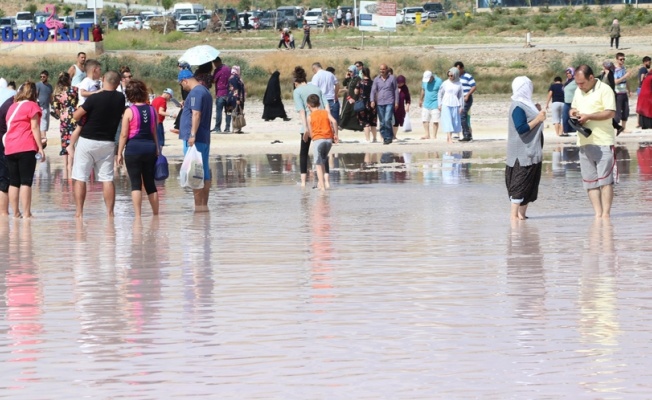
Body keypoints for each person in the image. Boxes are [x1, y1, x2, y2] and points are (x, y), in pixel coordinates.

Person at [70, 71, 125, 218]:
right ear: (118, 84)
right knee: (107, 178)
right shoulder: (121, 98)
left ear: (102, 80)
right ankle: (110, 213)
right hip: (108, 141)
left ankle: (79, 212)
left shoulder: (94, 98)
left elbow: (76, 116)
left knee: (81, 177)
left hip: (88, 139)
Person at [570, 64, 617, 219]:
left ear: (591, 78)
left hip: (603, 140)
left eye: (582, 83)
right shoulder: (578, 90)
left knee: (605, 181)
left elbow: (610, 112)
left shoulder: (605, 89)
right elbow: (573, 107)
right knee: (590, 181)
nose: (579, 86)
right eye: (577, 83)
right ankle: (597, 214)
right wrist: (574, 113)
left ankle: (606, 215)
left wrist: (589, 116)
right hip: (583, 140)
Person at [116, 79, 160, 218]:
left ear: (129, 95)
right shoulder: (152, 110)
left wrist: (119, 153)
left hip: (133, 149)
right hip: (150, 148)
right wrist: (157, 148)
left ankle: (138, 216)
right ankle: (155, 215)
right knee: (150, 183)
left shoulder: (129, 111)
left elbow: (123, 135)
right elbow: (154, 131)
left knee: (135, 183)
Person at [505, 76, 546, 221]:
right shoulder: (517, 106)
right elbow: (521, 128)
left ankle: (521, 215)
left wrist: (536, 111)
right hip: (522, 153)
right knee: (519, 183)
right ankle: (514, 216)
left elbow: (529, 118)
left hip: (532, 151)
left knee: (530, 185)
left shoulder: (526, 104)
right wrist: (538, 119)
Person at [3, 82, 45, 218]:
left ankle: (15, 212)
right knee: (26, 181)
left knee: (14, 182)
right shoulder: (33, 106)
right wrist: (40, 147)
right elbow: (34, 127)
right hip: (26, 146)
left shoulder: (12, 107)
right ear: (34, 93)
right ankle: (27, 213)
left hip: (10, 147)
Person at [178, 69, 213, 211]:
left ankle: (199, 207)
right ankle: (204, 207)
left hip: (195, 139)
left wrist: (192, 134)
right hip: (203, 137)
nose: (182, 87)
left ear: (185, 80)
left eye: (182, 84)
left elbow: (196, 114)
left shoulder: (196, 92)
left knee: (195, 173)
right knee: (203, 171)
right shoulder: (205, 91)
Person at [293, 65, 330, 187]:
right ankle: (326, 181)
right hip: (322, 123)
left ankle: (303, 183)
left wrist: (306, 129)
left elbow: (302, 111)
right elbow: (326, 105)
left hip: (308, 124)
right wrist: (328, 119)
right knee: (323, 154)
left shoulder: (297, 91)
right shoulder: (316, 88)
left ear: (295, 82)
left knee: (303, 153)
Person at [305, 94, 338, 190]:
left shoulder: (310, 117)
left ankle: (322, 188)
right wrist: (336, 135)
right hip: (328, 140)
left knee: (318, 164)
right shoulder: (325, 112)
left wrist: (311, 136)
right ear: (319, 103)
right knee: (322, 161)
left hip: (318, 140)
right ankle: (321, 183)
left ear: (308, 105)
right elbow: (334, 122)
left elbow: (311, 133)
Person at [51, 72, 78, 175]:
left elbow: (55, 109)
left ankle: (65, 167)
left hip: (64, 117)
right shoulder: (74, 90)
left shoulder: (57, 93)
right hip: (74, 116)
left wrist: (61, 112)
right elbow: (78, 101)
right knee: (72, 141)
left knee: (64, 140)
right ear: (69, 80)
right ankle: (71, 166)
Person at [370, 63, 398, 145]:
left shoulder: (392, 78)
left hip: (389, 101)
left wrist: (396, 102)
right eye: (380, 69)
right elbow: (373, 91)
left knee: (387, 120)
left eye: (383, 69)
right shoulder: (376, 79)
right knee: (382, 122)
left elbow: (396, 90)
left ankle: (389, 137)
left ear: (387, 70)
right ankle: (385, 137)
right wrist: (372, 100)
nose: (382, 71)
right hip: (380, 102)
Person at [438, 67, 465, 144]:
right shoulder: (445, 83)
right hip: (446, 103)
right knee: (448, 120)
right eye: (448, 75)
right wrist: (439, 104)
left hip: (455, 103)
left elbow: (460, 96)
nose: (450, 77)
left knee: (454, 121)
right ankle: (449, 138)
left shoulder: (459, 84)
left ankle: (448, 137)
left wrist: (461, 106)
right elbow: (440, 93)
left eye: (451, 75)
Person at [0, 91, 16, 216]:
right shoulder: (10, 105)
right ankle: (4, 213)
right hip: (3, 144)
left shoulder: (9, 103)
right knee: (4, 179)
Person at [455, 61, 476, 142]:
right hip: (459, 99)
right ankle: (466, 134)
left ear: (462, 68)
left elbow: (473, 87)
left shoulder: (468, 76)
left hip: (466, 98)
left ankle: (467, 135)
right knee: (462, 116)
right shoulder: (456, 78)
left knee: (463, 115)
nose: (457, 71)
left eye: (458, 69)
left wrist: (467, 95)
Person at [356, 66, 378, 142]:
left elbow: (356, 92)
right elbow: (376, 93)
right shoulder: (373, 82)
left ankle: (367, 139)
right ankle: (375, 138)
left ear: (362, 73)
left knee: (365, 121)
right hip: (372, 102)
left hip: (363, 102)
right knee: (373, 121)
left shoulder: (360, 82)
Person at [339, 65, 363, 132]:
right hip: (348, 96)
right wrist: (346, 78)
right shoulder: (350, 78)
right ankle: (343, 124)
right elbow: (344, 84)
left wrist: (354, 98)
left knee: (352, 111)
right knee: (345, 110)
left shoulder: (357, 79)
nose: (349, 72)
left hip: (353, 97)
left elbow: (358, 89)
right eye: (349, 71)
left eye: (351, 71)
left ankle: (342, 125)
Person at [419, 70, 442, 140]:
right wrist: (421, 99)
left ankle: (434, 135)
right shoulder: (424, 82)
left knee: (435, 120)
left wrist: (441, 103)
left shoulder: (439, 81)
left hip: (435, 103)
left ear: (432, 76)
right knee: (425, 119)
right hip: (426, 103)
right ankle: (427, 134)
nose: (427, 81)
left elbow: (442, 92)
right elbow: (423, 90)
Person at [212, 56, 231, 133]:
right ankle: (227, 128)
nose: (214, 65)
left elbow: (213, 80)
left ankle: (217, 127)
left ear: (217, 62)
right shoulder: (228, 69)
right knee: (228, 111)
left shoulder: (218, 70)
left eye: (214, 63)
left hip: (220, 93)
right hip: (229, 93)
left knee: (219, 111)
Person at [36, 70, 53, 150]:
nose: (42, 78)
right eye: (41, 76)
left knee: (46, 124)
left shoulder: (49, 86)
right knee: (43, 123)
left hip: (47, 107)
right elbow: (35, 95)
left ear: (47, 77)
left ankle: (42, 139)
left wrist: (53, 105)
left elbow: (50, 97)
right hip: (40, 107)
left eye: (44, 76)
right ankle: (43, 138)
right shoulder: (38, 85)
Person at [614, 52, 630, 133]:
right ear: (617, 60)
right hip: (618, 93)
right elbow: (615, 81)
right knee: (618, 112)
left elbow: (626, 81)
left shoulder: (623, 68)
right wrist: (624, 76)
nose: (622, 60)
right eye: (621, 59)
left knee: (626, 110)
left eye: (623, 59)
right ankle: (616, 127)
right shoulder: (615, 70)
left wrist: (629, 90)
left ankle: (624, 127)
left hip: (624, 92)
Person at [227, 65, 246, 133]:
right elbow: (236, 89)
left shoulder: (236, 77)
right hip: (235, 98)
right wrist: (237, 99)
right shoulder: (234, 78)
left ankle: (237, 127)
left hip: (235, 97)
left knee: (237, 112)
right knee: (236, 112)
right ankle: (236, 128)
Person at [393, 75, 411, 140]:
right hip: (392, 106)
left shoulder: (405, 88)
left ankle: (394, 135)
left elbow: (407, 98)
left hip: (400, 108)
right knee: (391, 121)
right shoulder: (393, 87)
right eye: (399, 82)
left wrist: (407, 105)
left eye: (402, 83)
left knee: (397, 121)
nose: (400, 84)